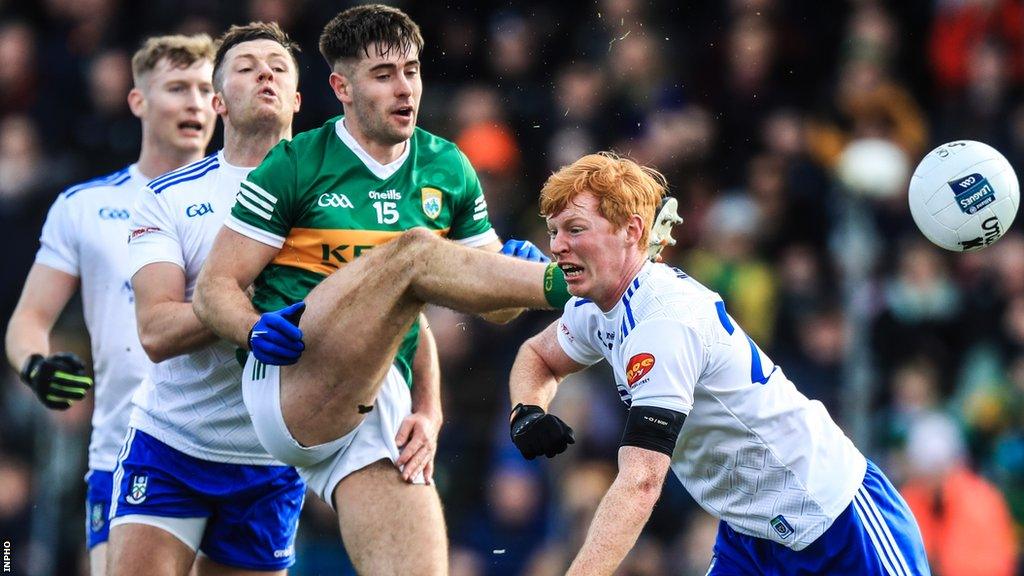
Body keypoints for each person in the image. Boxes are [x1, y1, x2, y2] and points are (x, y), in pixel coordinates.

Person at [192, 5, 559, 574]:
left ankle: (572, 282)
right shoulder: (295, 162)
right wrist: (252, 328)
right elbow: (215, 287)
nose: (404, 87)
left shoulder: (448, 166)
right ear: (341, 86)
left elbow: (499, 309)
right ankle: (581, 282)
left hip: (378, 396)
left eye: (411, 70)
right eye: (383, 74)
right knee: (410, 252)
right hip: (291, 378)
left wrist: (430, 409)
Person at [506, 152, 932, 575]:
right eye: (554, 231)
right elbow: (537, 355)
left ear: (631, 230)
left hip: (833, 519)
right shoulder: (597, 306)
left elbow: (641, 483)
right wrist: (527, 409)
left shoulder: (662, 323)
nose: (558, 245)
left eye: (575, 229)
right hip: (749, 534)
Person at [3, 34, 216, 576]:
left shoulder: (253, 202)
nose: (194, 101)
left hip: (233, 456)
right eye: (176, 87)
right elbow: (29, 319)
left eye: (203, 89)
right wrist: (37, 366)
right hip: (124, 457)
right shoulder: (86, 207)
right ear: (138, 101)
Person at [106, 23, 308, 576]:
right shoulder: (170, 197)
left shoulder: (334, 203)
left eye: (277, 67)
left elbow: (402, 307)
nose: (263, 72)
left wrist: (428, 408)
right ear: (217, 101)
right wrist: (238, 306)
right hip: (174, 445)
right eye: (246, 67)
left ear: (296, 99)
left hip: (271, 458)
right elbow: (155, 333)